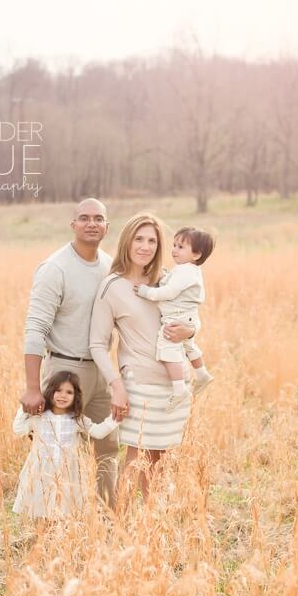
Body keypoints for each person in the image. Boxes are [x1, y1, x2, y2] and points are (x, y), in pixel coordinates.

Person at [89, 213, 195, 501]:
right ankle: (120, 525)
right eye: (139, 239)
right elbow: (97, 344)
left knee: (159, 457)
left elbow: (189, 317)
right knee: (135, 458)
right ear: (127, 242)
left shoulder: (165, 281)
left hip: (173, 382)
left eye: (152, 240)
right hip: (139, 381)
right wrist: (117, 385)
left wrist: (191, 330)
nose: (145, 246)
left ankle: (149, 524)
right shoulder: (112, 286)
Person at [20, 198, 118, 505]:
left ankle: (106, 518)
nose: (92, 223)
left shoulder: (110, 266)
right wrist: (33, 388)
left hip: (101, 370)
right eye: (84, 218)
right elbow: (35, 328)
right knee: (56, 452)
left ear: (106, 226)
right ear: (73, 224)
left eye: (98, 219)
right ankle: (52, 524)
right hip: (64, 370)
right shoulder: (55, 268)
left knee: (106, 447)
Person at [12, 371, 118, 520]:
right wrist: (24, 409)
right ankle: (41, 538)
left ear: (76, 396)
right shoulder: (39, 418)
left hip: (68, 474)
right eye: (58, 390)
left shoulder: (77, 419)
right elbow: (18, 430)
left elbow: (98, 432)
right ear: (50, 392)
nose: (63, 395)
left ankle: (61, 539)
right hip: (41, 473)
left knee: (64, 513)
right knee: (41, 512)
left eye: (69, 392)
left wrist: (115, 418)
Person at [135, 226, 215, 411]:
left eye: (180, 247)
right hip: (187, 317)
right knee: (188, 345)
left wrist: (145, 291)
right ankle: (202, 373)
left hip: (177, 318)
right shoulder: (187, 270)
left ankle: (179, 390)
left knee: (167, 345)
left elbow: (168, 292)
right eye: (174, 245)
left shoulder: (185, 271)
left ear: (196, 254)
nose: (174, 250)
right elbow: (171, 280)